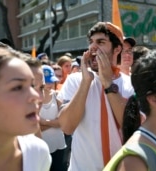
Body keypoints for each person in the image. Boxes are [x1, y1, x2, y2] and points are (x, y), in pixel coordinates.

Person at [57, 22, 134, 170]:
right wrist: (86, 82)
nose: (93, 47)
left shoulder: (130, 84)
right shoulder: (75, 80)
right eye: (91, 42)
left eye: (100, 42)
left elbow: (130, 127)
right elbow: (67, 127)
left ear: (117, 49)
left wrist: (107, 83)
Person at [39, 64, 67, 171]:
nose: (50, 84)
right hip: (44, 149)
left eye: (51, 81)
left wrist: (43, 122)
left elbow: (63, 122)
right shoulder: (35, 99)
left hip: (59, 145)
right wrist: (55, 123)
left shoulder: (57, 95)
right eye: (47, 82)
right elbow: (37, 128)